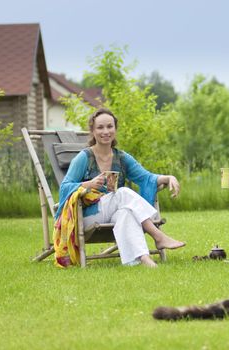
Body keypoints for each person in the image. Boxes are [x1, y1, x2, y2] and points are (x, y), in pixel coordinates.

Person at [55, 108, 185, 268]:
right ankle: (158, 236)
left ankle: (144, 259)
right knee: (123, 193)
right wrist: (88, 185)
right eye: (100, 127)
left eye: (110, 126)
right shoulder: (84, 158)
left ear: (115, 129)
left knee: (126, 213)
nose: (105, 131)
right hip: (87, 214)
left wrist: (169, 177)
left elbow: (146, 178)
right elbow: (64, 188)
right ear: (93, 131)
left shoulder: (122, 158)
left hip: (112, 211)